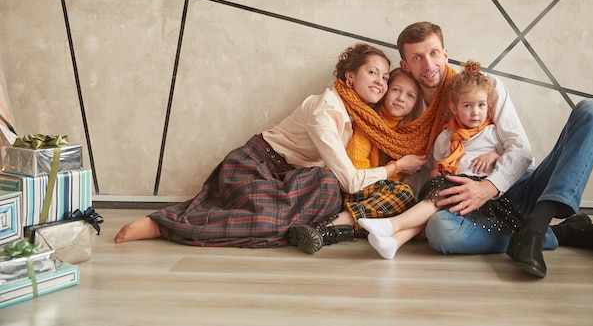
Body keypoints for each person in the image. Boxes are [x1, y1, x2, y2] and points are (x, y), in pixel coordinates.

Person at [114, 43, 424, 248]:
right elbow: (351, 179)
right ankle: (165, 224)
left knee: (328, 191)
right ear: (349, 77)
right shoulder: (325, 109)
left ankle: (315, 228)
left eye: (385, 78)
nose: (381, 83)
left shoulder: (364, 117)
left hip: (290, 176)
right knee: (271, 218)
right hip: (254, 166)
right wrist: (398, 166)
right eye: (373, 73)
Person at [393, 21, 593, 278]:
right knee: (440, 231)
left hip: (518, 188)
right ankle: (556, 232)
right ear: (405, 66)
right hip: (471, 206)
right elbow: (427, 172)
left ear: (445, 53)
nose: (429, 65)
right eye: (417, 58)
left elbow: (520, 149)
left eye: (433, 53)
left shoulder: (485, 88)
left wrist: (489, 186)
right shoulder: (412, 113)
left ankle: (535, 228)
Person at [358, 60, 526, 259]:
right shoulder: (445, 138)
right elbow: (436, 167)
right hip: (452, 190)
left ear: (488, 107)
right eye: (468, 106)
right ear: (454, 108)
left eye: (481, 105)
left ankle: (393, 224)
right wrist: (435, 172)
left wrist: (494, 156)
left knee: (440, 193)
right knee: (436, 197)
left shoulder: (491, 133)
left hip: (481, 196)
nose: (475, 112)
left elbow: (510, 158)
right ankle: (394, 243)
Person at [288, 67, 425, 254]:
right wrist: (395, 169)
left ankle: (330, 232)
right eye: (396, 90)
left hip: (376, 197)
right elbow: (356, 170)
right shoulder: (369, 124)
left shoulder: (407, 136)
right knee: (403, 194)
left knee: (410, 205)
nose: (401, 98)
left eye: (411, 96)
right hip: (353, 187)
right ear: (385, 91)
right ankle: (328, 226)